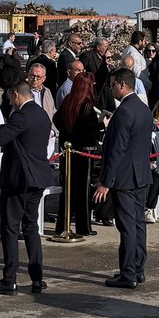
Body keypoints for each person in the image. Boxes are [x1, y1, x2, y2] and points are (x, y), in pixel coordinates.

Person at [0, 81, 53, 294]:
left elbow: (0, 139)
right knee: (31, 227)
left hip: (20, 180)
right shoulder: (40, 113)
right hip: (37, 178)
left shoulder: (21, 115)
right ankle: (37, 278)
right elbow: (14, 132)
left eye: (10, 98)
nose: (10, 101)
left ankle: (9, 278)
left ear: (15, 95)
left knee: (10, 228)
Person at [93, 68, 152, 288]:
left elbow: (116, 151)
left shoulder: (124, 112)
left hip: (125, 179)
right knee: (138, 225)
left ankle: (128, 273)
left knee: (127, 226)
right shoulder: (143, 109)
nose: (110, 89)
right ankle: (138, 268)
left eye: (112, 85)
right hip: (140, 175)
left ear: (121, 85)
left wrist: (106, 182)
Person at [54, 73, 101, 237]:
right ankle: (84, 226)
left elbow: (56, 119)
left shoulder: (68, 101)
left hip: (69, 152)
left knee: (68, 190)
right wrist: (101, 125)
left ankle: (61, 225)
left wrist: (68, 134)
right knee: (83, 190)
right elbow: (89, 131)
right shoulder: (87, 105)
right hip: (83, 152)